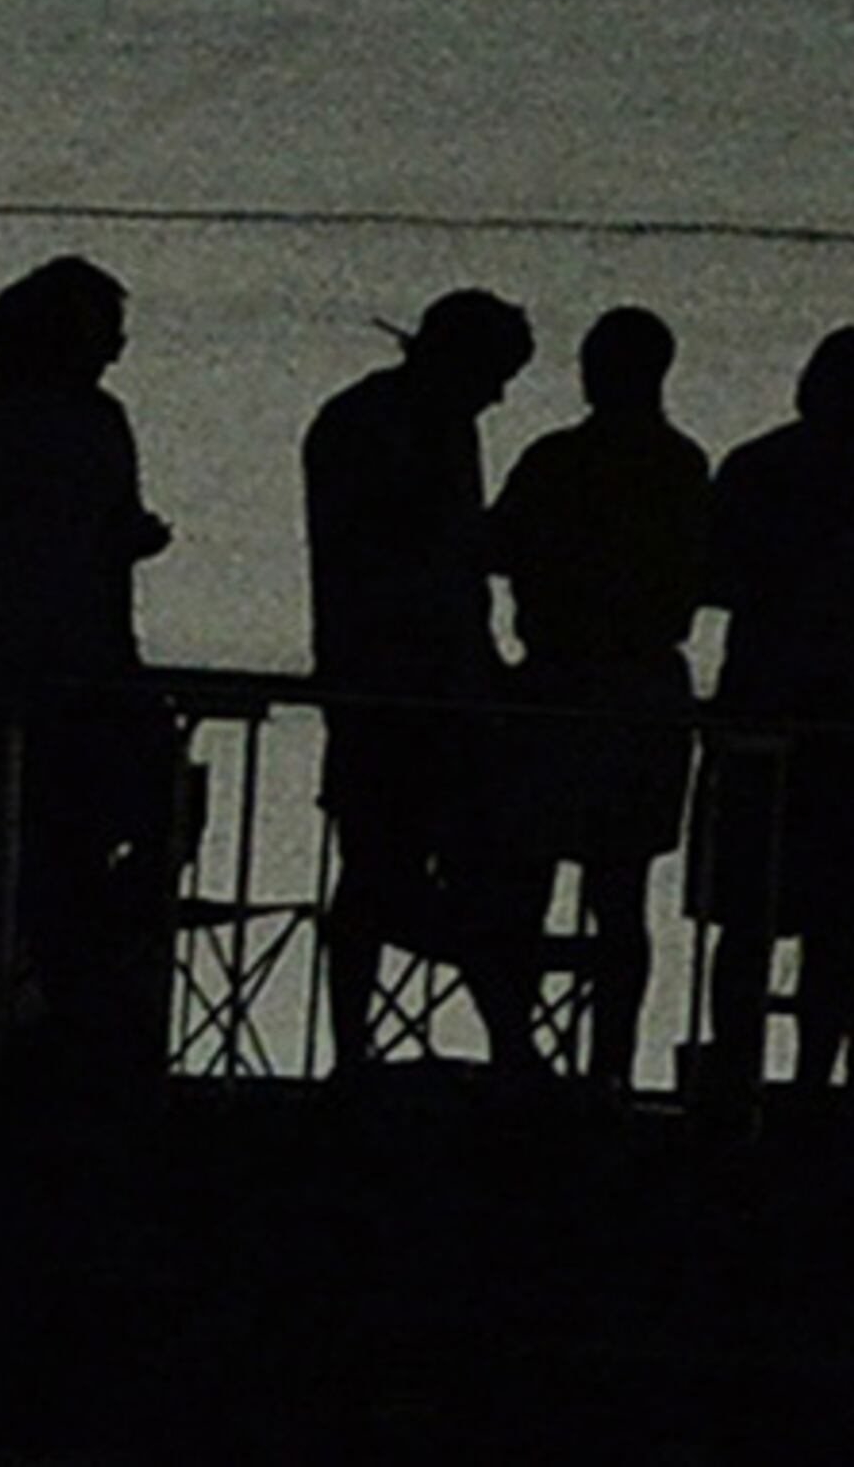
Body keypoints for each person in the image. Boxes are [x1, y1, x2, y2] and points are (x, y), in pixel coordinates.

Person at [0, 255, 177, 1078]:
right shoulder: (90, 423)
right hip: (74, 672)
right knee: (80, 847)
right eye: (110, 332)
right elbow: (92, 540)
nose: (119, 349)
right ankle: (74, 1009)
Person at [301, 288, 537, 1076]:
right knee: (405, 871)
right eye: (495, 374)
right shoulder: (395, 428)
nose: (499, 395)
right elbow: (424, 558)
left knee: (390, 871)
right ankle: (494, 1041)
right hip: (404, 688)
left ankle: (373, 1045)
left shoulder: (382, 419)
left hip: (403, 682)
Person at [485, 306, 710, 1091]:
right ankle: (610, 1063)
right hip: (645, 687)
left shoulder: (555, 459)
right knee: (621, 894)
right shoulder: (684, 465)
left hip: (559, 680)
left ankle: (517, 1049)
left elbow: (495, 544)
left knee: (528, 882)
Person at [696, 325, 854, 1092]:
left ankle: (738, 1069)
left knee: (750, 918)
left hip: (768, 709)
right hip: (842, 724)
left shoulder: (757, 465)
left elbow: (713, 576)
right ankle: (813, 1079)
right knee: (834, 921)